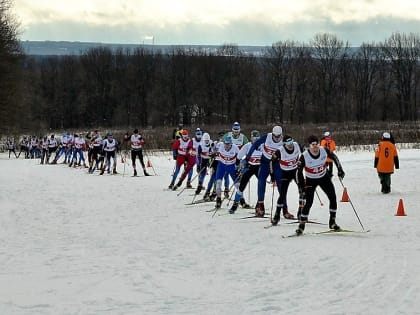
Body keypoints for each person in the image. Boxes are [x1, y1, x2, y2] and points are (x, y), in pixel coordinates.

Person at [295, 135, 345, 235]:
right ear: (309, 146)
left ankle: (332, 222)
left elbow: (334, 157)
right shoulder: (304, 156)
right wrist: (301, 185)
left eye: (317, 144)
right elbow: (298, 172)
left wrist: (340, 169)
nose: (315, 147)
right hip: (311, 180)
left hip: (324, 178)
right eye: (313, 145)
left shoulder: (323, 150)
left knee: (333, 197)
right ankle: (301, 225)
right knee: (309, 202)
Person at [245, 125, 284, 217]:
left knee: (280, 184)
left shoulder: (284, 141)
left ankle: (285, 208)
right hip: (265, 162)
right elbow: (255, 144)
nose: (276, 138)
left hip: (277, 164)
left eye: (278, 136)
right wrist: (248, 157)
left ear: (281, 135)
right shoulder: (267, 137)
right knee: (261, 181)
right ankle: (260, 205)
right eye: (275, 136)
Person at [270, 135, 302, 224]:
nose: (291, 145)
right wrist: (272, 175)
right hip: (285, 173)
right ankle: (277, 215)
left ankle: (300, 213)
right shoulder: (280, 151)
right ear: (284, 144)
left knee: (302, 191)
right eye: (288, 143)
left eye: (291, 142)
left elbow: (304, 155)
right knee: (282, 194)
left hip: (295, 171)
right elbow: (271, 162)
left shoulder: (296, 145)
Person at [229, 130, 261, 214]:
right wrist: (237, 168)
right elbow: (239, 157)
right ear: (251, 138)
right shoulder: (247, 146)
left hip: (259, 168)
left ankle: (259, 206)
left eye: (257, 139)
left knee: (262, 186)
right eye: (254, 139)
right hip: (249, 167)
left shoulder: (263, 146)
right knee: (241, 186)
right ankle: (235, 204)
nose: (256, 141)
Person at [213, 134, 240, 209]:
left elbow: (240, 157)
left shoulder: (235, 147)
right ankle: (218, 200)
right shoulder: (220, 145)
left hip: (231, 166)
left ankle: (241, 199)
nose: (227, 146)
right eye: (225, 144)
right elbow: (213, 150)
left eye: (228, 144)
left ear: (231, 143)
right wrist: (213, 154)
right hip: (221, 166)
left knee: (238, 184)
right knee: (218, 183)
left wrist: (239, 167)